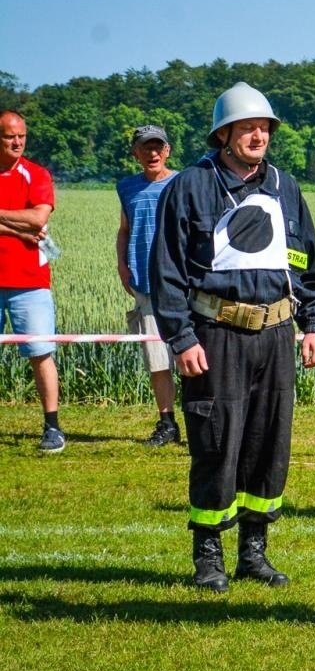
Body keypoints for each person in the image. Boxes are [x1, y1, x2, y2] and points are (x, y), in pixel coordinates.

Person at [148, 84, 315, 591]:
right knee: (216, 443)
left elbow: (306, 262)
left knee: (267, 444)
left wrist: (313, 325)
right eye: (247, 127)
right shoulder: (189, 187)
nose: (258, 135)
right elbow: (167, 271)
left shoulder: (284, 187)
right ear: (223, 134)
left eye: (264, 127)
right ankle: (208, 554)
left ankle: (254, 551)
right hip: (216, 335)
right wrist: (182, 339)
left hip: (274, 338)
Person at [0, 110, 64, 453]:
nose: (17, 142)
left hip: (30, 282)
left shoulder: (36, 174)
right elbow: (28, 225)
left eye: (21, 136)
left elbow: (39, 218)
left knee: (41, 353)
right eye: (10, 136)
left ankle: (52, 427)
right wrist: (17, 227)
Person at [116, 124, 182, 446]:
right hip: (144, 283)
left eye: (158, 147)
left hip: (182, 285)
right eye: (145, 148)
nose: (152, 153)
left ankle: (201, 420)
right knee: (157, 359)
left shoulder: (183, 183)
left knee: (192, 356)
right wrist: (121, 264)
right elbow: (124, 230)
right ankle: (167, 423)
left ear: (167, 150)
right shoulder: (126, 187)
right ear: (136, 153)